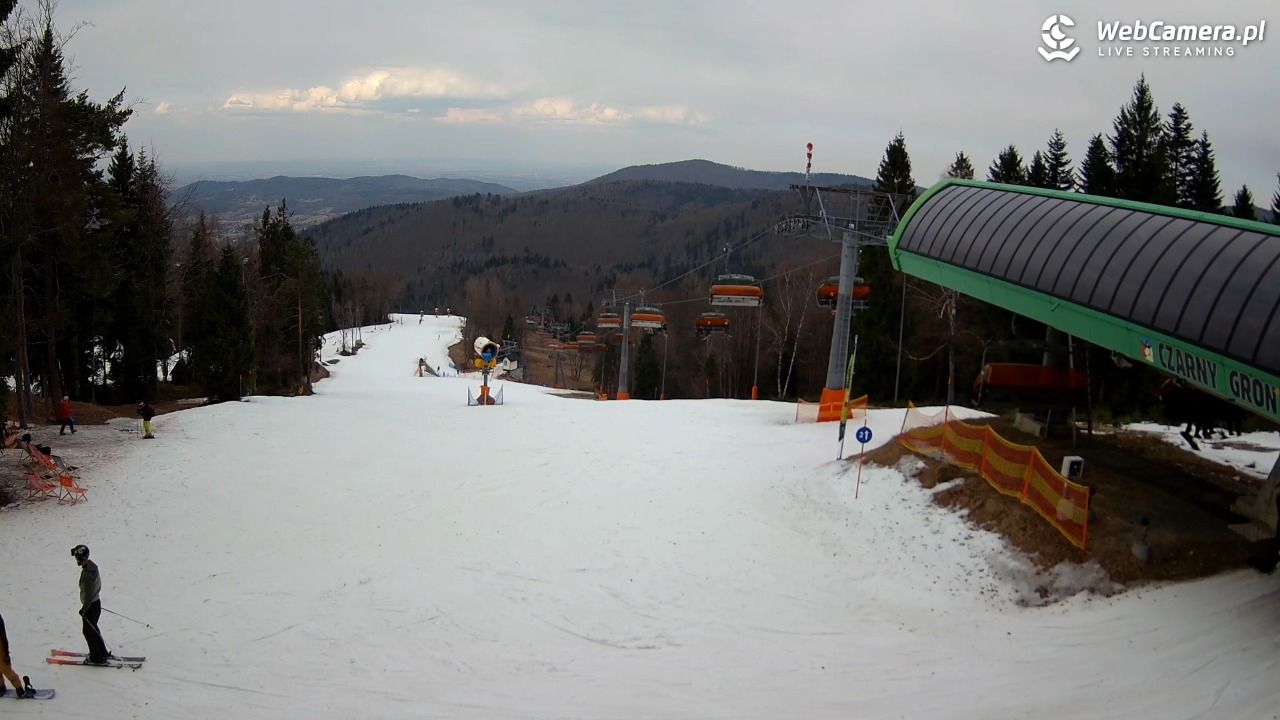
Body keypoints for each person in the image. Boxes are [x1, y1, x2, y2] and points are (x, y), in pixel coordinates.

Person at [71, 545, 112, 665]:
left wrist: (84, 609)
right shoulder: (92, 567)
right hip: (95, 604)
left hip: (91, 606)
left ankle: (96, 657)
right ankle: (102, 652)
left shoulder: (87, 575)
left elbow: (88, 595)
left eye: (77, 558)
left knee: (88, 631)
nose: (76, 561)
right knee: (93, 628)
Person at [0, 611, 35, 698]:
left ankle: (19, 688)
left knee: (7, 670)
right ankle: (1, 686)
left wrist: (6, 653)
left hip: (1, 649)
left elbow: (4, 638)